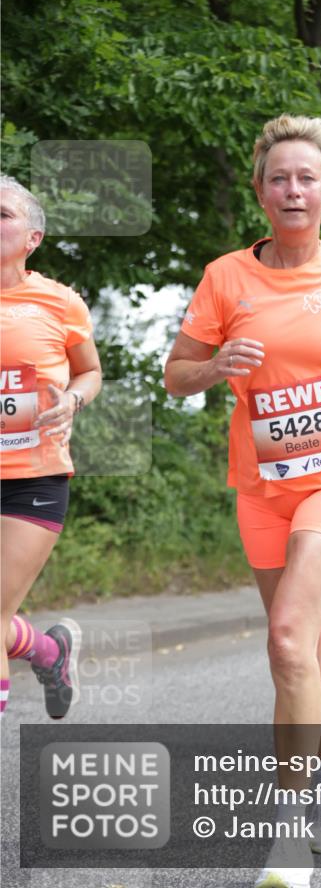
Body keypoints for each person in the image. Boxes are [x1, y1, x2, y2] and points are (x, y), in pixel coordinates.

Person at [164, 115, 321, 888]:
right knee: (298, 654)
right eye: (279, 177)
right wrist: (215, 368)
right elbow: (176, 373)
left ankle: (289, 832)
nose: (293, 188)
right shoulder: (225, 278)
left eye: (307, 177)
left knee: (283, 637)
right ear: (259, 191)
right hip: (261, 488)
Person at [1, 175, 102, 720]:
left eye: (2, 214)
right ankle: (50, 651)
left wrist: (73, 400)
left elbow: (89, 373)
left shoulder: (59, 302)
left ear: (32, 237)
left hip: (32, 477)